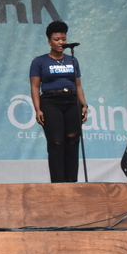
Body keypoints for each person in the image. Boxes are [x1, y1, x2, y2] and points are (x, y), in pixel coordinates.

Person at [30, 20, 88, 183]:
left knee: (72, 140)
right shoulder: (39, 61)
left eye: (63, 38)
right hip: (51, 102)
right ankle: (57, 184)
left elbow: (78, 85)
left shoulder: (72, 60)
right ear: (49, 41)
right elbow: (35, 87)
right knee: (56, 142)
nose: (61, 42)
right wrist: (38, 109)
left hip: (71, 102)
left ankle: (71, 182)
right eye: (56, 39)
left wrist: (83, 104)